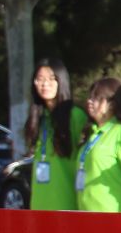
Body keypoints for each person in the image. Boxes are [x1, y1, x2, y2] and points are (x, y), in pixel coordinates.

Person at [23, 59, 87, 211]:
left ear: (61, 81)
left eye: (52, 79)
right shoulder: (38, 118)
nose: (45, 84)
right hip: (39, 206)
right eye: (40, 79)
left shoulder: (75, 116)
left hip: (68, 205)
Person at [74, 78, 121, 213]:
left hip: (114, 213)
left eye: (96, 98)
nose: (90, 101)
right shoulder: (91, 135)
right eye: (90, 97)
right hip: (88, 214)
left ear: (111, 104)